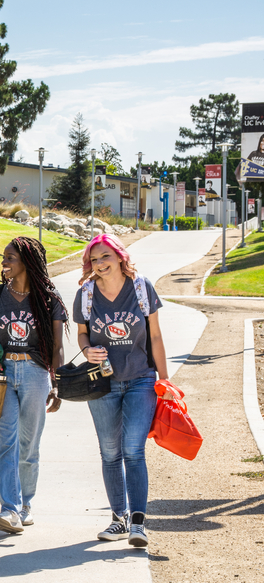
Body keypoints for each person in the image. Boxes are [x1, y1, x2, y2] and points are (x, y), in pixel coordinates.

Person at [73, 234, 170, 548]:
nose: (100, 264)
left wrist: (165, 381)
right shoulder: (86, 294)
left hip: (141, 379)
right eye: (95, 259)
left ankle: (138, 524)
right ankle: (118, 518)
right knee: (110, 453)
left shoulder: (141, 287)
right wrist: (87, 351)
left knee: (133, 450)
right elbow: (82, 336)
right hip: (103, 382)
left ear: (119, 256)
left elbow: (155, 336)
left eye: (105, 257)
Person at [0, 236, 66, 534]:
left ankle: (26, 504)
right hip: (1, 375)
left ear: (27, 261)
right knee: (4, 444)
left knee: (29, 445)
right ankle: (9, 509)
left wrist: (57, 383)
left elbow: (57, 347)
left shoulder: (49, 300)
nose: (4, 262)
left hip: (35, 374)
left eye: (10, 257)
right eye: (4, 257)